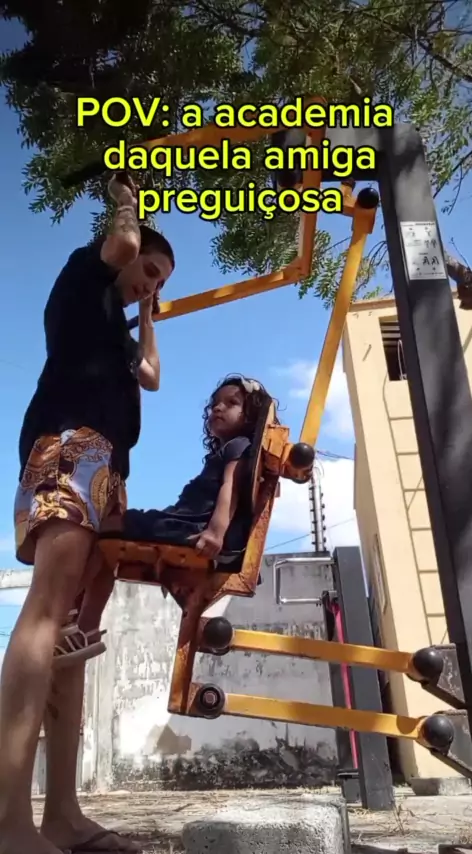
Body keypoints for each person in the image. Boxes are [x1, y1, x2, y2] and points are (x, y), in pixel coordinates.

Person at [0, 174, 175, 854]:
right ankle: (9, 822)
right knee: (47, 612)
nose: (149, 283)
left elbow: (152, 375)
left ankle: (63, 816)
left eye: (160, 280)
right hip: (71, 445)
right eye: (149, 272)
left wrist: (150, 311)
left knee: (73, 635)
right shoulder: (83, 277)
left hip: (109, 469)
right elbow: (124, 243)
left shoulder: (118, 335)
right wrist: (125, 199)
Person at [55, 376, 276, 660]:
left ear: (250, 415)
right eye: (214, 404)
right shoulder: (229, 450)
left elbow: (229, 490)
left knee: (104, 526)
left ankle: (66, 616)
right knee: (107, 542)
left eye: (231, 403)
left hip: (190, 527)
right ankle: (85, 627)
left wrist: (216, 532)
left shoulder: (239, 447)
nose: (218, 408)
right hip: (182, 522)